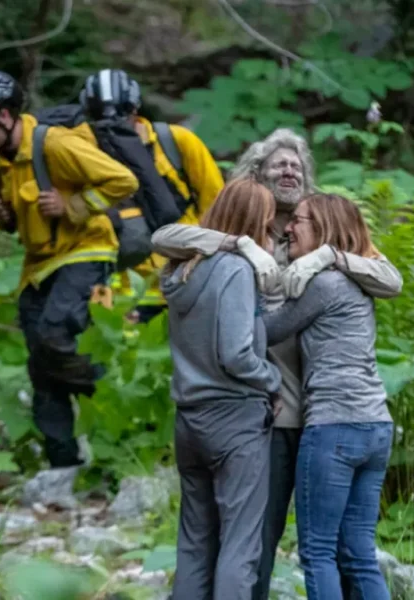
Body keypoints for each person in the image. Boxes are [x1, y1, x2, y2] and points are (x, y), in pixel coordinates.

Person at [149, 127, 402, 600]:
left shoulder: (319, 241)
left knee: (326, 546)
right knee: (257, 541)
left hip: (325, 416)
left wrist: (328, 256)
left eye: (297, 166)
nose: (289, 171)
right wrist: (240, 244)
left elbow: (390, 278)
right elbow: (164, 237)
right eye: (278, 165)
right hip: (270, 414)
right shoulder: (238, 240)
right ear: (256, 177)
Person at [0, 70, 139, 469]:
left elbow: (123, 180)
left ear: (5, 116)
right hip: (37, 266)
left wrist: (73, 205)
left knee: (56, 334)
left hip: (86, 250)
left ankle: (108, 393)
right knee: (40, 362)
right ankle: (62, 463)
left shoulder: (55, 144)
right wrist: (1, 216)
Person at [261, 193, 393, 600]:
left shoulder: (324, 282)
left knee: (318, 552)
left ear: (324, 227)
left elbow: (269, 330)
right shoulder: (357, 278)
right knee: (358, 555)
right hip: (376, 425)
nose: (288, 228)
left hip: (334, 427)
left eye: (298, 220)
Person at [162, 178, 281, 600]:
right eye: (268, 225)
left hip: (189, 421)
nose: (272, 236)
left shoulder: (182, 270)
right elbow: (235, 353)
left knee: (195, 544)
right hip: (234, 421)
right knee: (240, 545)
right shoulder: (235, 270)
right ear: (253, 224)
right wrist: (273, 379)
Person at [79, 68, 224, 323]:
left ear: (135, 109)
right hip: (117, 293)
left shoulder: (175, 141)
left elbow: (218, 207)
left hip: (182, 282)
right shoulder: (81, 154)